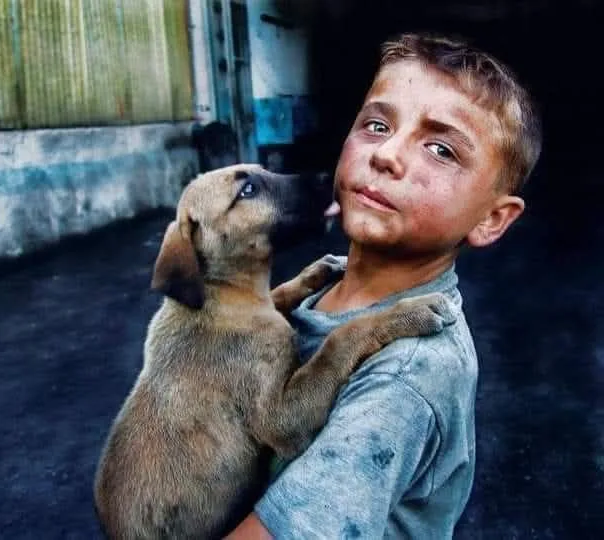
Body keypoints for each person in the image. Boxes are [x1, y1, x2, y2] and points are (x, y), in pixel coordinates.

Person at [226, 32, 542, 539]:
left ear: (491, 219)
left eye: (441, 149)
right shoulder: (325, 277)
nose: (387, 154)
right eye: (377, 125)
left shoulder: (407, 376)